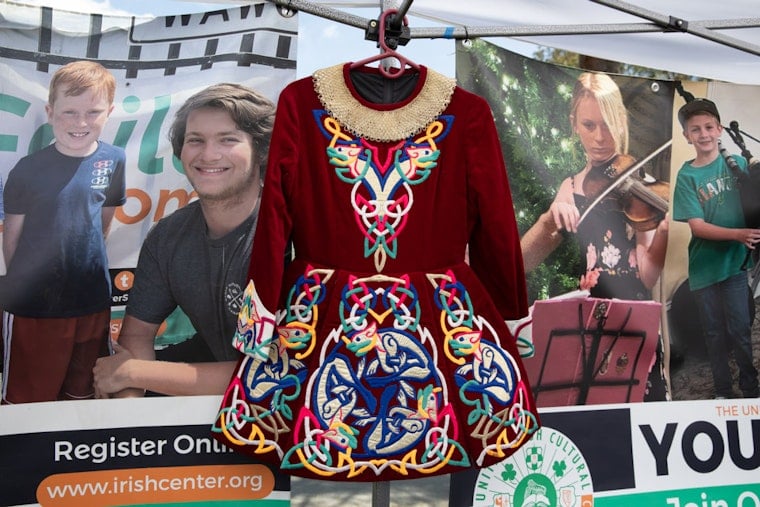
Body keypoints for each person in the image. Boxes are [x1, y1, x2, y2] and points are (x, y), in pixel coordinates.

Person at [92, 83, 276, 398]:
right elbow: (136, 337)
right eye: (195, 140)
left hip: (294, 411)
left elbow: (280, 375)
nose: (209, 154)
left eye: (227, 139)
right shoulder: (168, 236)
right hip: (219, 375)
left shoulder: (289, 235)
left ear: (260, 150)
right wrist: (127, 420)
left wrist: (137, 372)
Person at [520, 71, 670, 401]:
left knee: (639, 398)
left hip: (633, 310)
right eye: (590, 125)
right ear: (575, 124)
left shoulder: (640, 180)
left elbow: (647, 275)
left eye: (608, 124)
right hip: (590, 313)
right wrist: (550, 221)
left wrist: (662, 232)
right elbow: (524, 262)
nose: (601, 137)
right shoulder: (571, 186)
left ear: (620, 122)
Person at [1, 60, 125, 404]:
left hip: (92, 302)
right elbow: (11, 237)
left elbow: (103, 223)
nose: (81, 122)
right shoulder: (28, 169)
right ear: (50, 111)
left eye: (93, 112)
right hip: (34, 309)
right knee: (27, 404)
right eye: (70, 112)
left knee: (81, 396)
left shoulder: (114, 159)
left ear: (109, 112)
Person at [672, 98, 760, 399]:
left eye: (709, 127)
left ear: (719, 129)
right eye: (695, 129)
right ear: (687, 136)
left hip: (734, 266)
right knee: (713, 334)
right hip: (704, 269)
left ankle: (751, 386)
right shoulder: (687, 176)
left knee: (741, 330)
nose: (704, 134)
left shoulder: (736, 164)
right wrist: (738, 234)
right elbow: (697, 226)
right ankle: (723, 390)